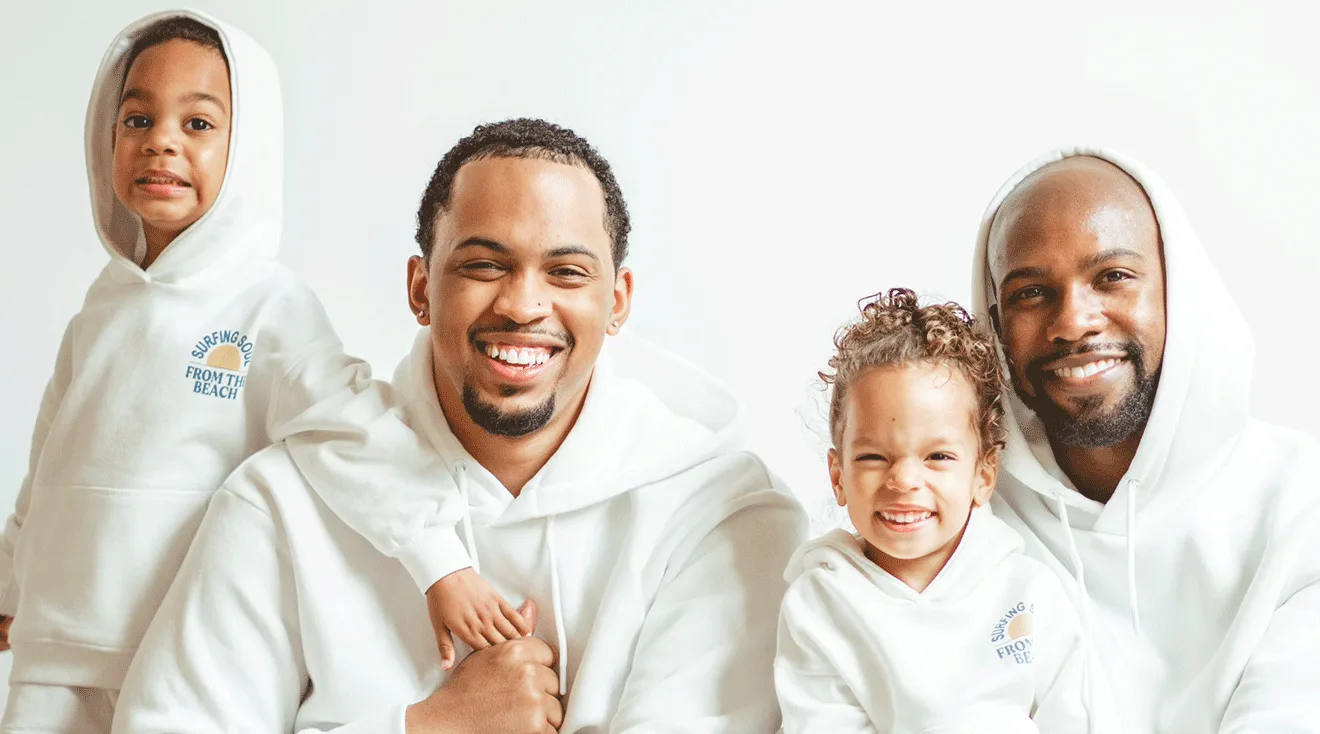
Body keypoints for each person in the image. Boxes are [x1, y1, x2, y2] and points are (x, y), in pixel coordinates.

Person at [111, 117, 808, 733]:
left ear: (618, 300)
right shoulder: (279, 504)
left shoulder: (724, 512)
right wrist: (433, 728)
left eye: (566, 272)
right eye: (483, 265)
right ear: (421, 288)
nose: (523, 303)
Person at [0, 12, 525, 731]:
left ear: (248, 146)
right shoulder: (97, 311)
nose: (161, 139)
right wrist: (10, 584)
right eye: (137, 118)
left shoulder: (266, 304)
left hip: (175, 657)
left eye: (199, 124)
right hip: (52, 647)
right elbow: (47, 466)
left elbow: (350, 428)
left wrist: (438, 560)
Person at [973, 147, 1320, 731]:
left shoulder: (1299, 507)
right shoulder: (955, 525)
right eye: (1031, 292)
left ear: (1177, 293)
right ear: (996, 323)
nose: (1073, 322)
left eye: (1112, 277)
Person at [775, 288, 1108, 733]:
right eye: (873, 458)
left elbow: (1075, 719)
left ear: (983, 475)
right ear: (837, 475)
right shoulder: (819, 604)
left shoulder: (1029, 591)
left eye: (938, 458)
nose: (904, 481)